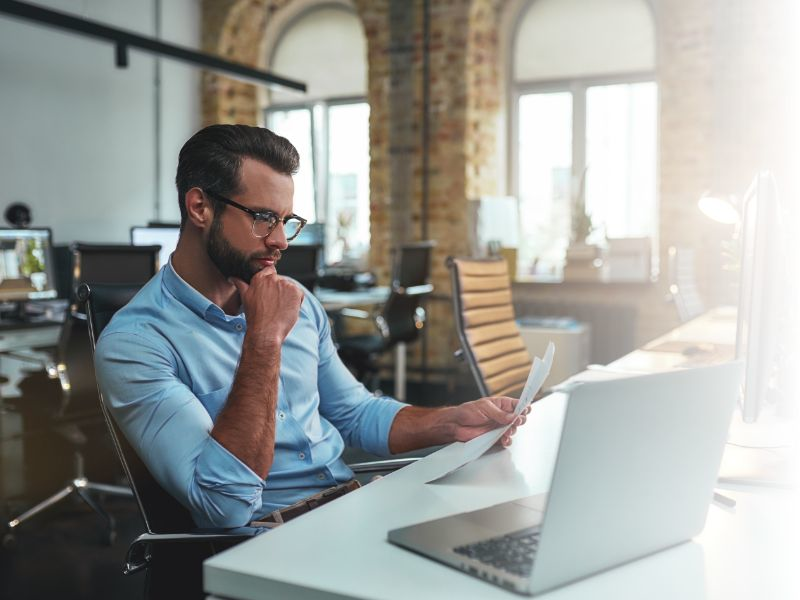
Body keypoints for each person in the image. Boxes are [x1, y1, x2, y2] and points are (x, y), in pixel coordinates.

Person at [94, 124, 528, 529]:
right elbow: (224, 504)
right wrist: (263, 338)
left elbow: (355, 414)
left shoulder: (298, 303)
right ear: (200, 206)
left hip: (349, 510)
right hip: (266, 540)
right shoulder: (135, 343)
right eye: (263, 218)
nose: (281, 240)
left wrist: (452, 422)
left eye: (287, 221)